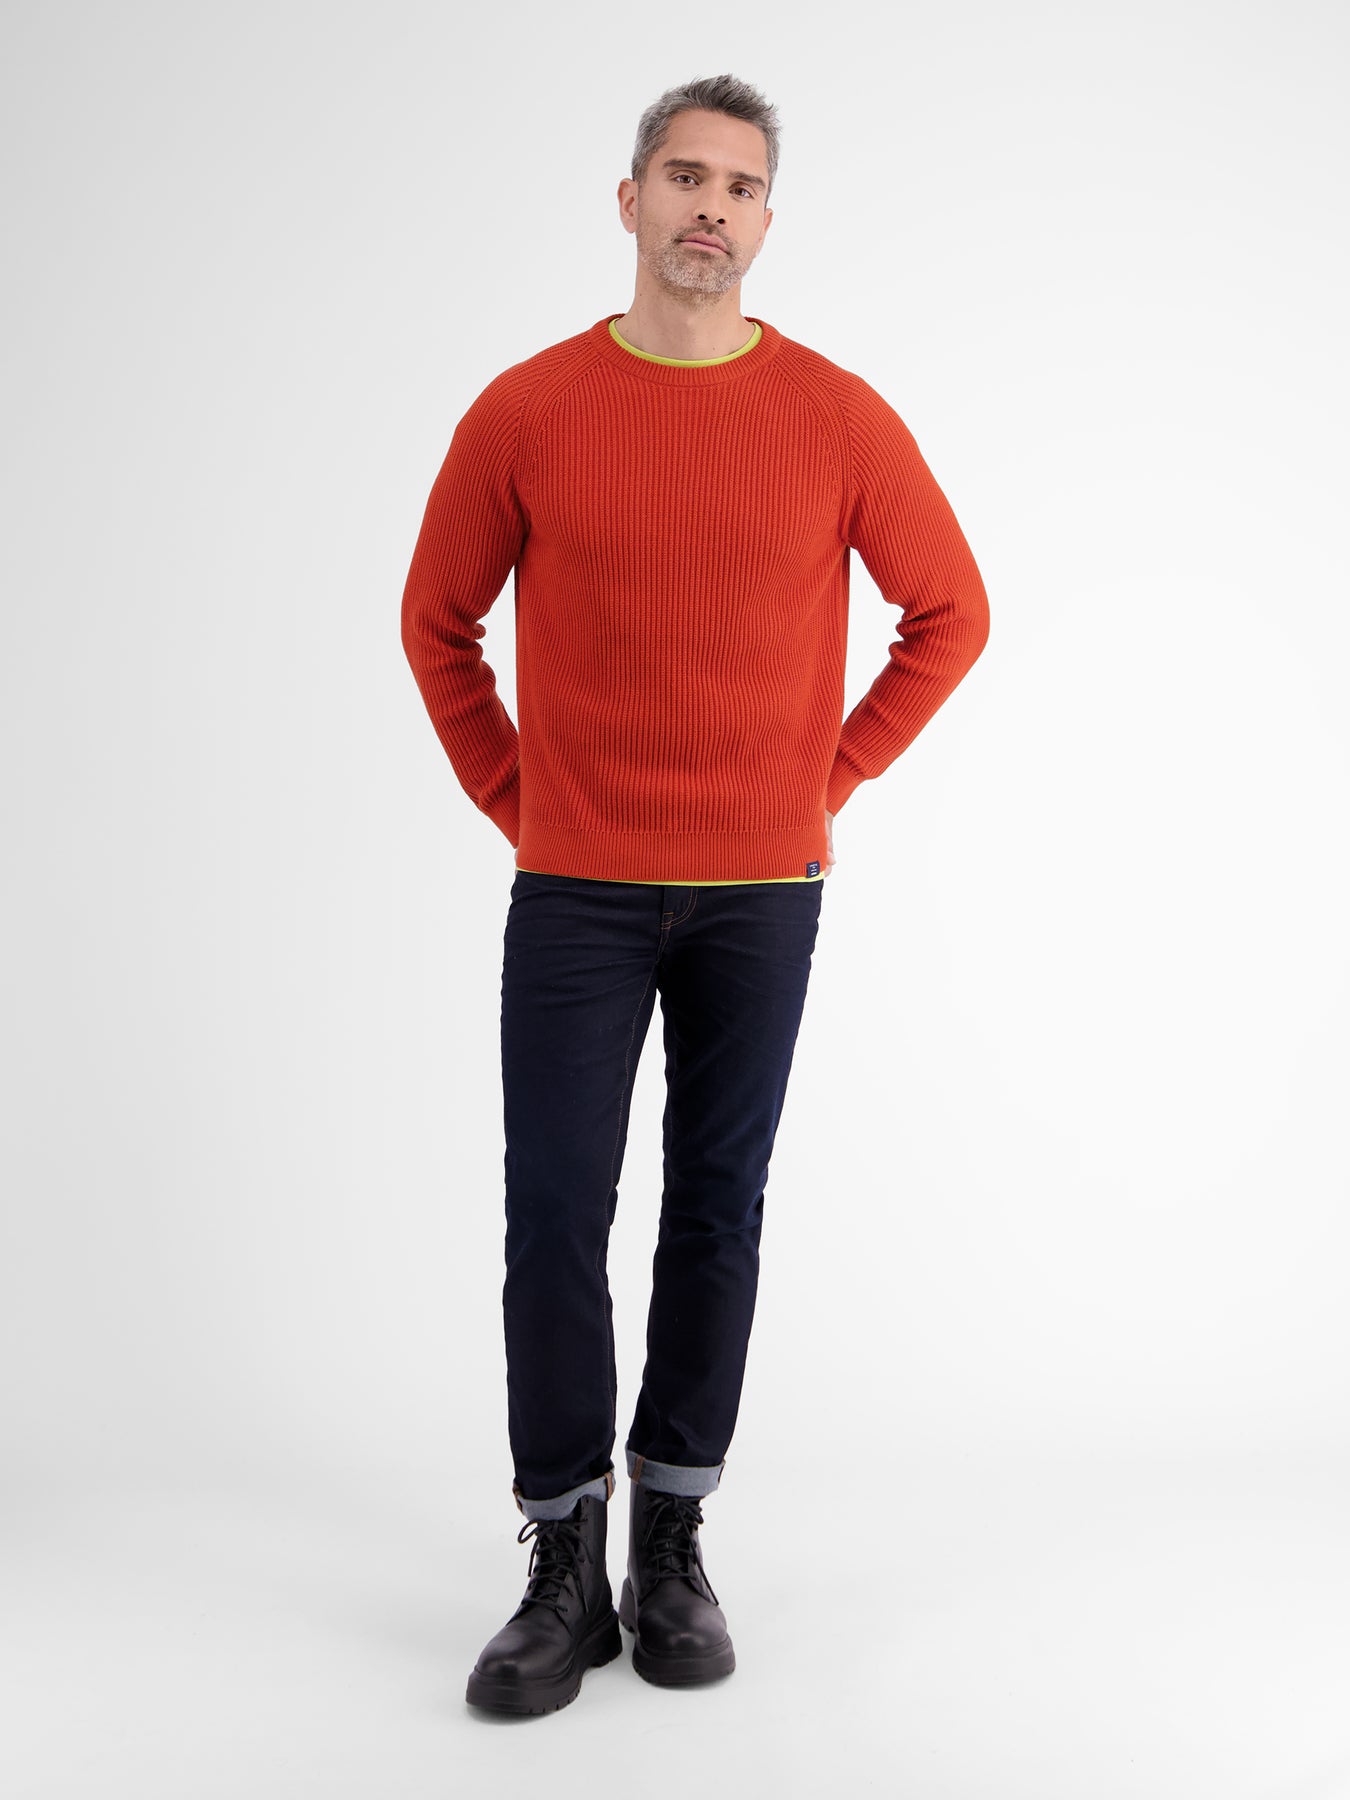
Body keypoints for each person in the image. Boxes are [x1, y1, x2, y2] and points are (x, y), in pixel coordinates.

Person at [400, 72, 990, 1715]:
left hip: (760, 892)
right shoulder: (526, 410)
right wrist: (520, 798)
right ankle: (560, 1558)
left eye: (737, 186)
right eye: (681, 176)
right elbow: (436, 624)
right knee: (553, 1216)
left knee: (715, 1209)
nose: (708, 207)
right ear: (629, 200)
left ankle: (671, 1538)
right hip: (575, 891)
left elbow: (949, 612)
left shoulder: (835, 415)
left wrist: (827, 778)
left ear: (765, 223)